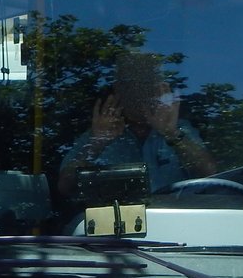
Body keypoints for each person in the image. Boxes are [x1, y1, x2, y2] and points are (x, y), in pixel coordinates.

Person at [58, 55, 215, 198]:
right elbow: (65, 187)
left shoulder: (179, 129)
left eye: (146, 83)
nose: (139, 91)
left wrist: (172, 134)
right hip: (112, 225)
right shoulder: (98, 135)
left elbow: (211, 177)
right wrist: (97, 143)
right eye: (130, 84)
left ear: (159, 89)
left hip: (178, 223)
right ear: (117, 89)